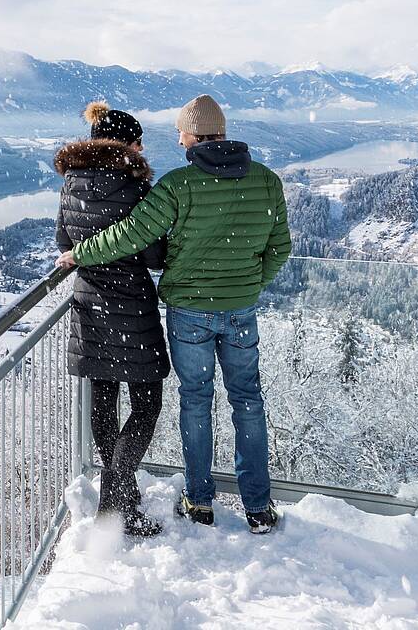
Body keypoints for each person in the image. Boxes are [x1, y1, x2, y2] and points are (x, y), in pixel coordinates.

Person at [55, 93, 292, 535]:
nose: (176, 139)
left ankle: (198, 501)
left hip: (178, 311)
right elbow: (280, 248)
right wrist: (249, 283)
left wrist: (80, 253)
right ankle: (258, 507)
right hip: (234, 310)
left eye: (180, 131)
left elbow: (132, 236)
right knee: (248, 401)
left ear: (194, 134)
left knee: (195, 401)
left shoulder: (178, 185)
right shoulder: (266, 181)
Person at [54, 102, 170, 538]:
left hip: (89, 305)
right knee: (146, 405)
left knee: (103, 404)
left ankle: (119, 496)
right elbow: (155, 254)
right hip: (132, 307)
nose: (143, 150)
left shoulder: (71, 182)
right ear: (125, 143)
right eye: (138, 141)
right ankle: (114, 505)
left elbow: (64, 239)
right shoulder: (137, 188)